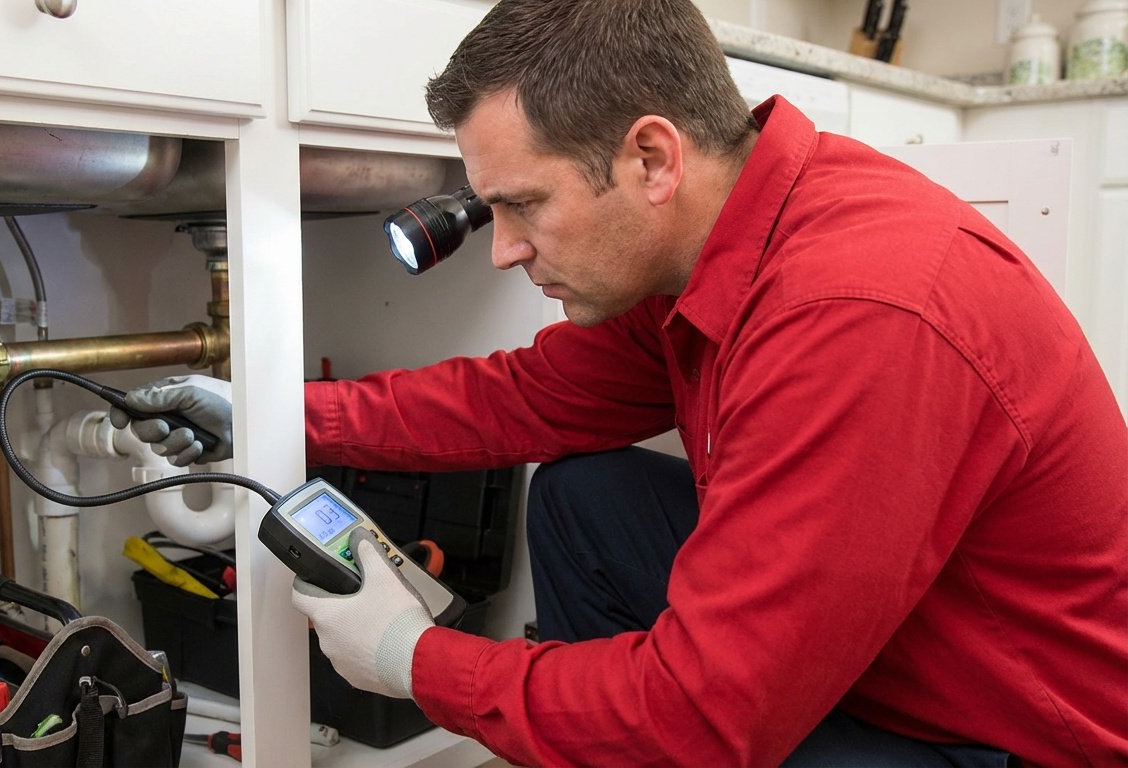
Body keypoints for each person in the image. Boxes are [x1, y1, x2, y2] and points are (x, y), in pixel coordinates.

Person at [110, 0, 1128, 764]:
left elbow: (707, 708)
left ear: (651, 157)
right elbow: (525, 399)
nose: (502, 250)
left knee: (688, 718)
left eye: (522, 206)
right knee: (583, 497)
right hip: (892, 652)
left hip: (1003, 738)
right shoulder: (736, 233)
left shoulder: (854, 312)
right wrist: (282, 419)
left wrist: (416, 662)